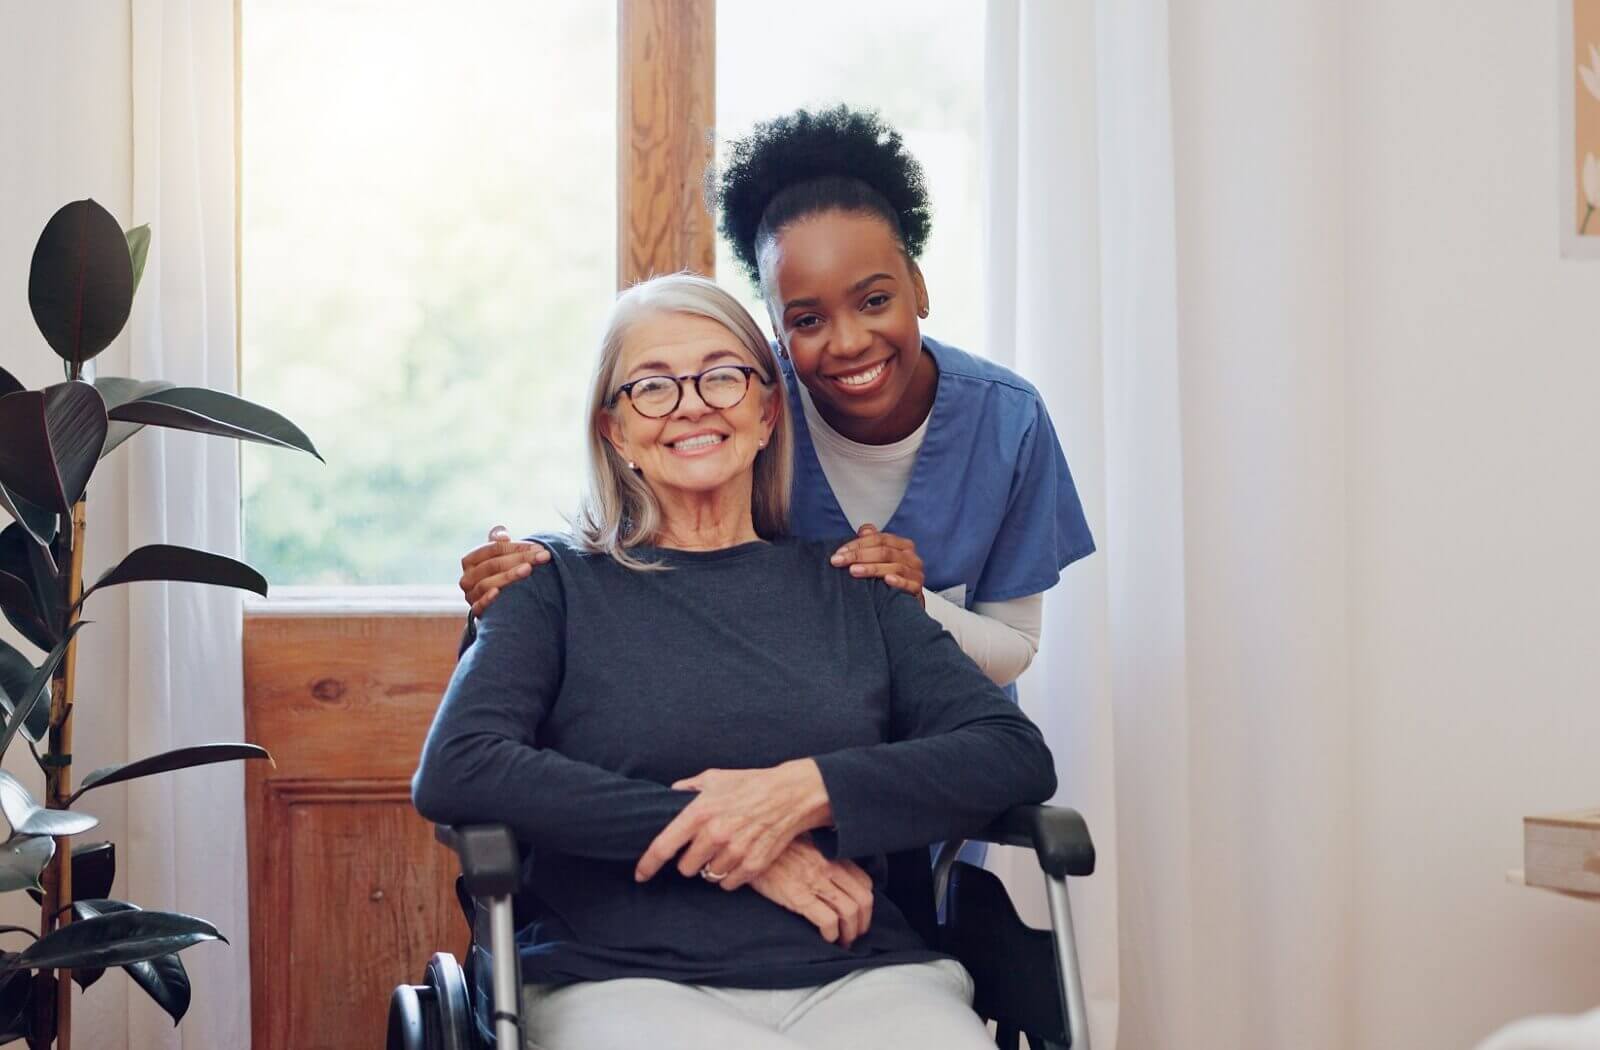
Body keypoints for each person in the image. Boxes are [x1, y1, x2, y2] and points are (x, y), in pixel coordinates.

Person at [412, 274, 1058, 1050]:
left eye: (721, 375)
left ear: (765, 409)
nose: (692, 403)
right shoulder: (547, 587)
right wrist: (730, 839)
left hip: (863, 976)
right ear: (615, 432)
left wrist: (802, 792)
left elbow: (1012, 756)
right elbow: (462, 767)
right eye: (652, 386)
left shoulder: (857, 585)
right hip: (621, 978)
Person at [457, 105, 1094, 694]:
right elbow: (646, 554)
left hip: (947, 739)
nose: (848, 341)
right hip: (790, 733)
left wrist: (913, 598)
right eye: (807, 319)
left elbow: (1014, 646)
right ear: (775, 330)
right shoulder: (737, 409)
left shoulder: (1009, 422)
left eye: (875, 300)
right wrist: (529, 576)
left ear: (919, 288)